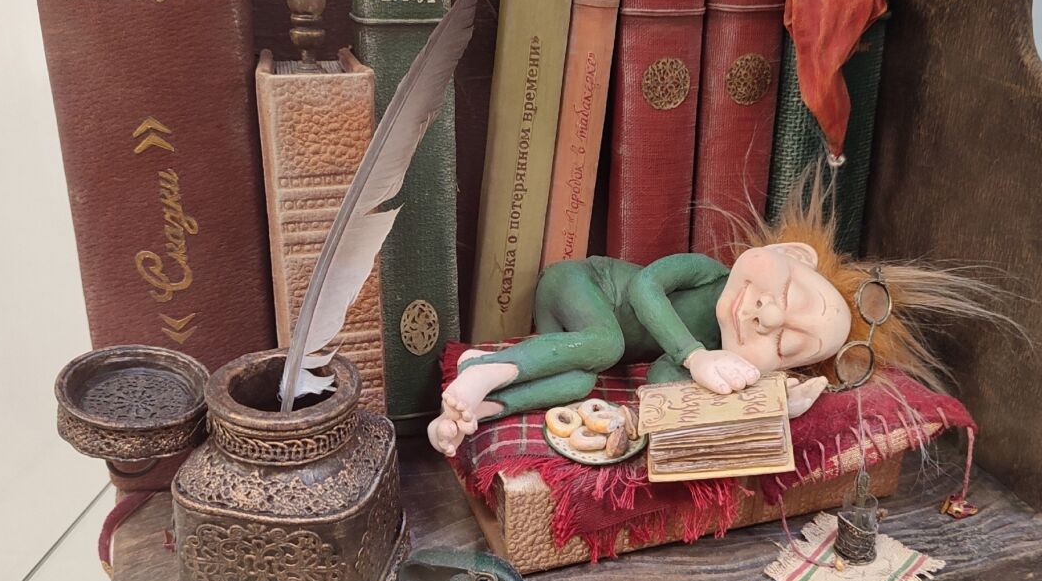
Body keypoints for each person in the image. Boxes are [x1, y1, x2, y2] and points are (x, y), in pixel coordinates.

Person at [429, 179, 1005, 457]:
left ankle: (481, 403)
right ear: (792, 254)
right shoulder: (708, 274)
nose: (768, 316)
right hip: (580, 286)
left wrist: (768, 396)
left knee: (579, 382)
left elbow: (660, 381)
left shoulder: (719, 349)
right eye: (790, 295)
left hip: (572, 342)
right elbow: (647, 287)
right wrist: (697, 356)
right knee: (605, 345)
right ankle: (485, 372)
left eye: (784, 345)